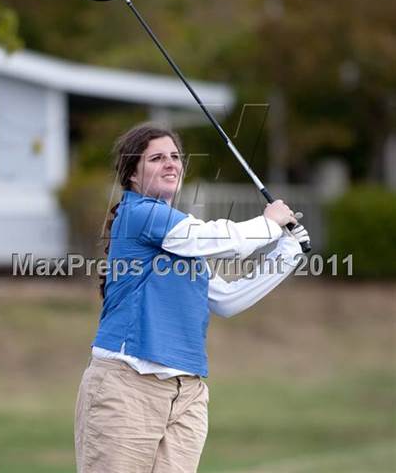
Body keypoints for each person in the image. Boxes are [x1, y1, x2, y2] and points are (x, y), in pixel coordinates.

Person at [74, 123, 310, 473]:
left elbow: (228, 299)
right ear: (132, 175)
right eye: (156, 158)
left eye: (174, 157)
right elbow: (221, 239)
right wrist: (269, 223)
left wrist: (288, 252)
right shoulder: (138, 213)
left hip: (187, 395)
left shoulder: (183, 237)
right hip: (127, 387)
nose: (170, 163)